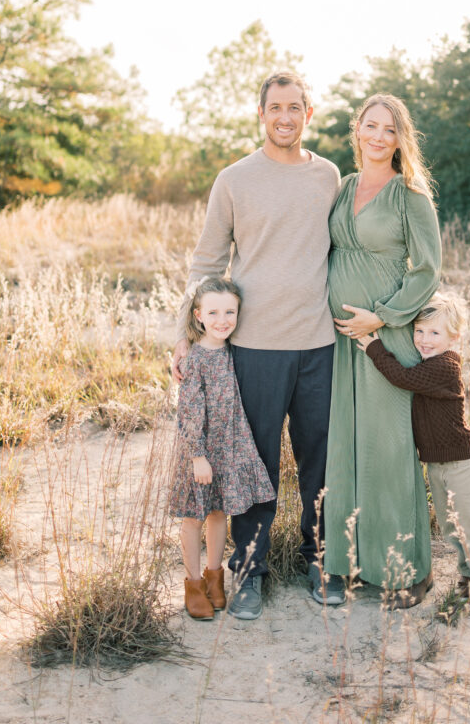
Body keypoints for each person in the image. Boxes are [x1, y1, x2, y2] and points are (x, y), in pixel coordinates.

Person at [172, 70, 344, 621]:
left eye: (296, 107)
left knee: (320, 460)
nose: (286, 117)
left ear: (309, 114)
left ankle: (321, 559)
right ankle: (249, 572)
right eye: (276, 107)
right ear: (262, 113)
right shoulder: (235, 179)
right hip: (253, 349)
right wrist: (184, 334)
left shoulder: (329, 176)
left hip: (320, 343)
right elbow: (205, 262)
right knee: (254, 464)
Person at [324, 94, 441, 607]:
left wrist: (385, 316)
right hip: (338, 340)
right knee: (347, 446)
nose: (377, 136)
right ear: (358, 131)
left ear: (400, 139)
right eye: (370, 126)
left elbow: (428, 268)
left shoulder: (410, 194)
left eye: (388, 129)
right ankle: (346, 564)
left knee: (389, 450)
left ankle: (406, 572)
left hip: (385, 335)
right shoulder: (343, 187)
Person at [357, 290, 470, 611]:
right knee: (451, 525)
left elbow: (402, 377)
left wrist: (374, 348)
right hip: (437, 464)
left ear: (453, 336)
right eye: (419, 332)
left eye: (434, 333)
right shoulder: (429, 361)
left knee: (468, 523)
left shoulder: (444, 367)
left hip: (460, 463)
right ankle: (468, 576)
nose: (424, 339)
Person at [169, 276, 274, 620]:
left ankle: (217, 578)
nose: (222, 320)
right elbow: (189, 411)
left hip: (229, 447)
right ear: (198, 315)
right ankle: (194, 583)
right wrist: (198, 456)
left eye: (230, 311)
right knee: (193, 516)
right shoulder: (195, 358)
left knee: (218, 514)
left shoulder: (234, 353)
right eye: (213, 312)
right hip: (199, 450)